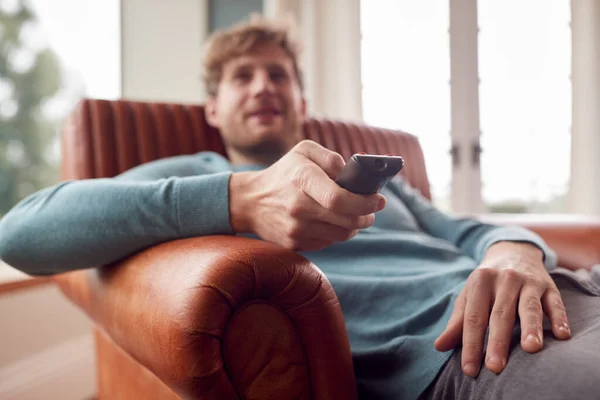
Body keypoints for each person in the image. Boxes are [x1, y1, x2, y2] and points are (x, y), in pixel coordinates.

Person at [0, 16, 599, 400]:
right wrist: (239, 199)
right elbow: (21, 233)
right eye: (242, 77)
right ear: (213, 109)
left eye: (277, 75)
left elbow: (464, 229)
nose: (263, 85)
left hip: (566, 291)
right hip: (470, 351)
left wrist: (517, 249)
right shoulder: (194, 173)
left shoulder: (361, 172)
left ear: (300, 101)